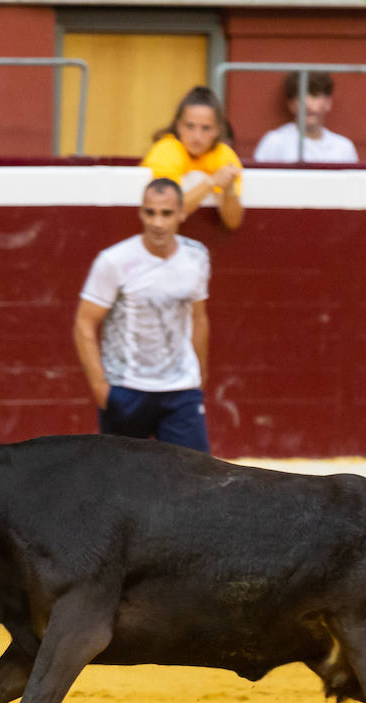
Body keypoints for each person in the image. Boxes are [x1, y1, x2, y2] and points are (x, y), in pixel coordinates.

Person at [73, 177, 211, 454]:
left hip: (181, 388)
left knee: (196, 481)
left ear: (182, 213)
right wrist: (101, 387)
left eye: (166, 213)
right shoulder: (114, 261)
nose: (157, 222)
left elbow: (198, 317)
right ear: (140, 212)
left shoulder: (197, 256)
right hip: (126, 388)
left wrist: (199, 373)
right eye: (150, 212)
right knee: (121, 486)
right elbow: (84, 322)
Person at [141, 86, 243, 230]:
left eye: (206, 128)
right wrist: (210, 183)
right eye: (190, 126)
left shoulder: (225, 156)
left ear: (218, 130)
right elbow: (167, 212)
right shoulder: (165, 151)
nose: (197, 136)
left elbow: (233, 222)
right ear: (178, 126)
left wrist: (229, 189)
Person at [253, 70, 358, 164]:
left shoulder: (344, 147)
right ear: (291, 104)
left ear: (328, 103)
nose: (307, 104)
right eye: (301, 96)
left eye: (315, 96)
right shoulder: (274, 142)